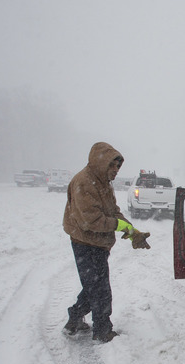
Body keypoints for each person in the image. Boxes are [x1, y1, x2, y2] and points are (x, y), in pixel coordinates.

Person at [62, 142, 151, 343]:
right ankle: (102, 330)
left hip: (98, 243)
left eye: (118, 167)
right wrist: (120, 226)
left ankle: (75, 317)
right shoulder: (84, 182)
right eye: (112, 166)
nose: (116, 171)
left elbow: (113, 212)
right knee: (100, 289)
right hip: (85, 243)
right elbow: (91, 220)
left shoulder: (101, 182)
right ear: (101, 163)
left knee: (93, 285)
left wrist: (132, 230)